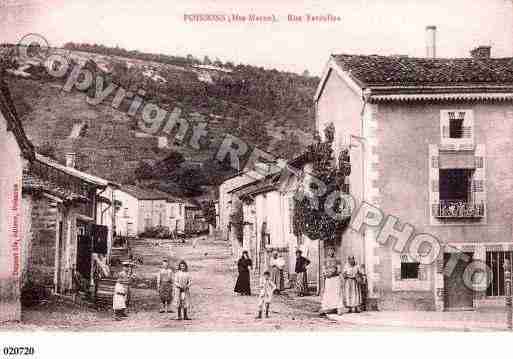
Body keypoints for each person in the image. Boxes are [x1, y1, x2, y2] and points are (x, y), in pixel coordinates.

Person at [320, 246, 342, 316]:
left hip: (335, 279)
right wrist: (326, 274)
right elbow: (323, 270)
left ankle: (338, 308)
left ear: (334, 252)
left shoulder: (337, 260)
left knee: (336, 293)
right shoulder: (325, 260)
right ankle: (327, 308)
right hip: (328, 279)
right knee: (328, 293)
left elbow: (339, 270)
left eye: (332, 250)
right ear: (328, 252)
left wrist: (333, 273)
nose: (331, 252)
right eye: (329, 250)